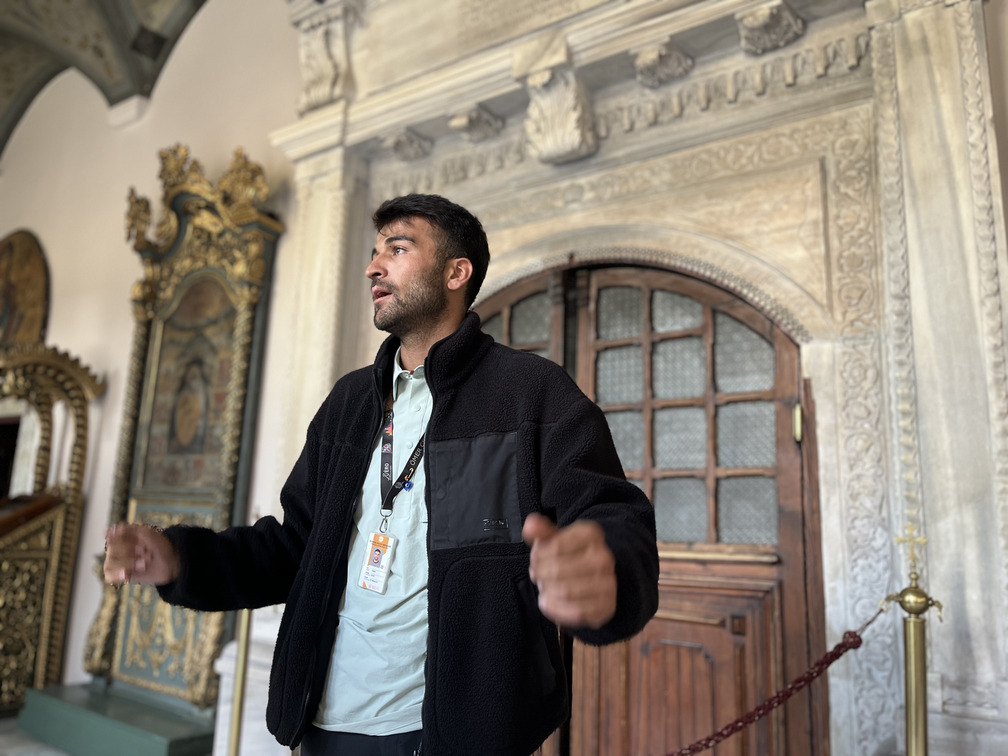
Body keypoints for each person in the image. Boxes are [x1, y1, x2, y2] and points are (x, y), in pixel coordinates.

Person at [104, 194, 659, 756]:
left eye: (398, 248)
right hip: (325, 726)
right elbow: (295, 548)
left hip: (464, 735)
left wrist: (608, 564)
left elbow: (613, 514)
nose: (374, 266)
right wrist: (181, 560)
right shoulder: (348, 403)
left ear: (456, 272)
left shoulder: (528, 392)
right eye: (374, 252)